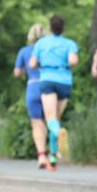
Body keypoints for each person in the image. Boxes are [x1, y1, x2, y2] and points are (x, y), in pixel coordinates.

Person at [30, 15, 78, 170]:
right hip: (64, 81)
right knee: (56, 118)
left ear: (50, 27)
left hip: (48, 79)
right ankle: (52, 157)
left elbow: (32, 64)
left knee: (50, 119)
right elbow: (73, 61)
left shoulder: (41, 43)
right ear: (63, 28)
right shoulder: (69, 43)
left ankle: (59, 133)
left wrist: (43, 63)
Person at [14, 23, 50, 168]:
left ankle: (41, 155)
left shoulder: (24, 51)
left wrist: (25, 70)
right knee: (48, 121)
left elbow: (17, 73)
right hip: (48, 86)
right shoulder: (48, 50)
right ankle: (51, 153)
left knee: (36, 122)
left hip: (33, 86)